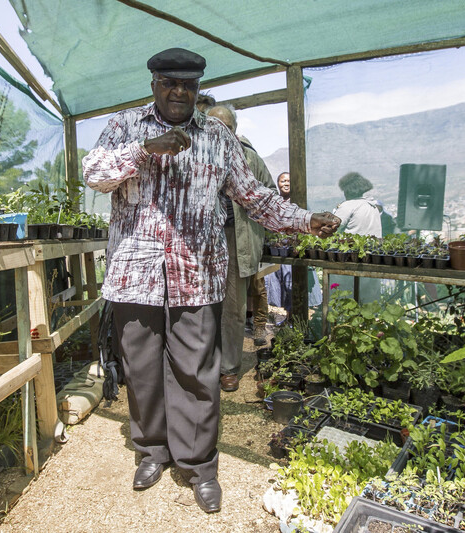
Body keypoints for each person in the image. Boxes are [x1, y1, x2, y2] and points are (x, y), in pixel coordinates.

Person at [82, 47, 340, 514]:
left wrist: (304, 220)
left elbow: (256, 197)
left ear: (198, 89)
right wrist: (143, 151)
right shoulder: (124, 127)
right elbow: (94, 174)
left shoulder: (217, 137)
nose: (179, 91)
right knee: (141, 371)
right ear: (154, 83)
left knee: (196, 373)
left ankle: (199, 464)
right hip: (135, 275)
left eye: (189, 85)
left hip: (195, 275)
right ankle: (151, 451)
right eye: (170, 83)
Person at [205, 104, 276, 392]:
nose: (220, 132)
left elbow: (269, 195)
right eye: (213, 127)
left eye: (226, 127)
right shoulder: (194, 156)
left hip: (237, 238)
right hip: (202, 241)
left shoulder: (250, 158)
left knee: (233, 307)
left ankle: (228, 368)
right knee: (201, 305)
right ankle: (202, 363)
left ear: (234, 129)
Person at [265, 172, 323, 321]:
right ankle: (289, 318)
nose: (286, 183)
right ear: (278, 184)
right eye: (283, 181)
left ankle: (297, 319)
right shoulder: (275, 203)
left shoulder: (300, 202)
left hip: (296, 250)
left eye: (289, 181)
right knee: (282, 286)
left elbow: (309, 223)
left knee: (295, 285)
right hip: (279, 251)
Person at [331, 172, 382, 303]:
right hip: (372, 257)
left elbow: (332, 227)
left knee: (344, 299)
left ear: (346, 190)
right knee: (368, 301)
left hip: (350, 259)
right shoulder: (372, 206)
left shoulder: (348, 205)